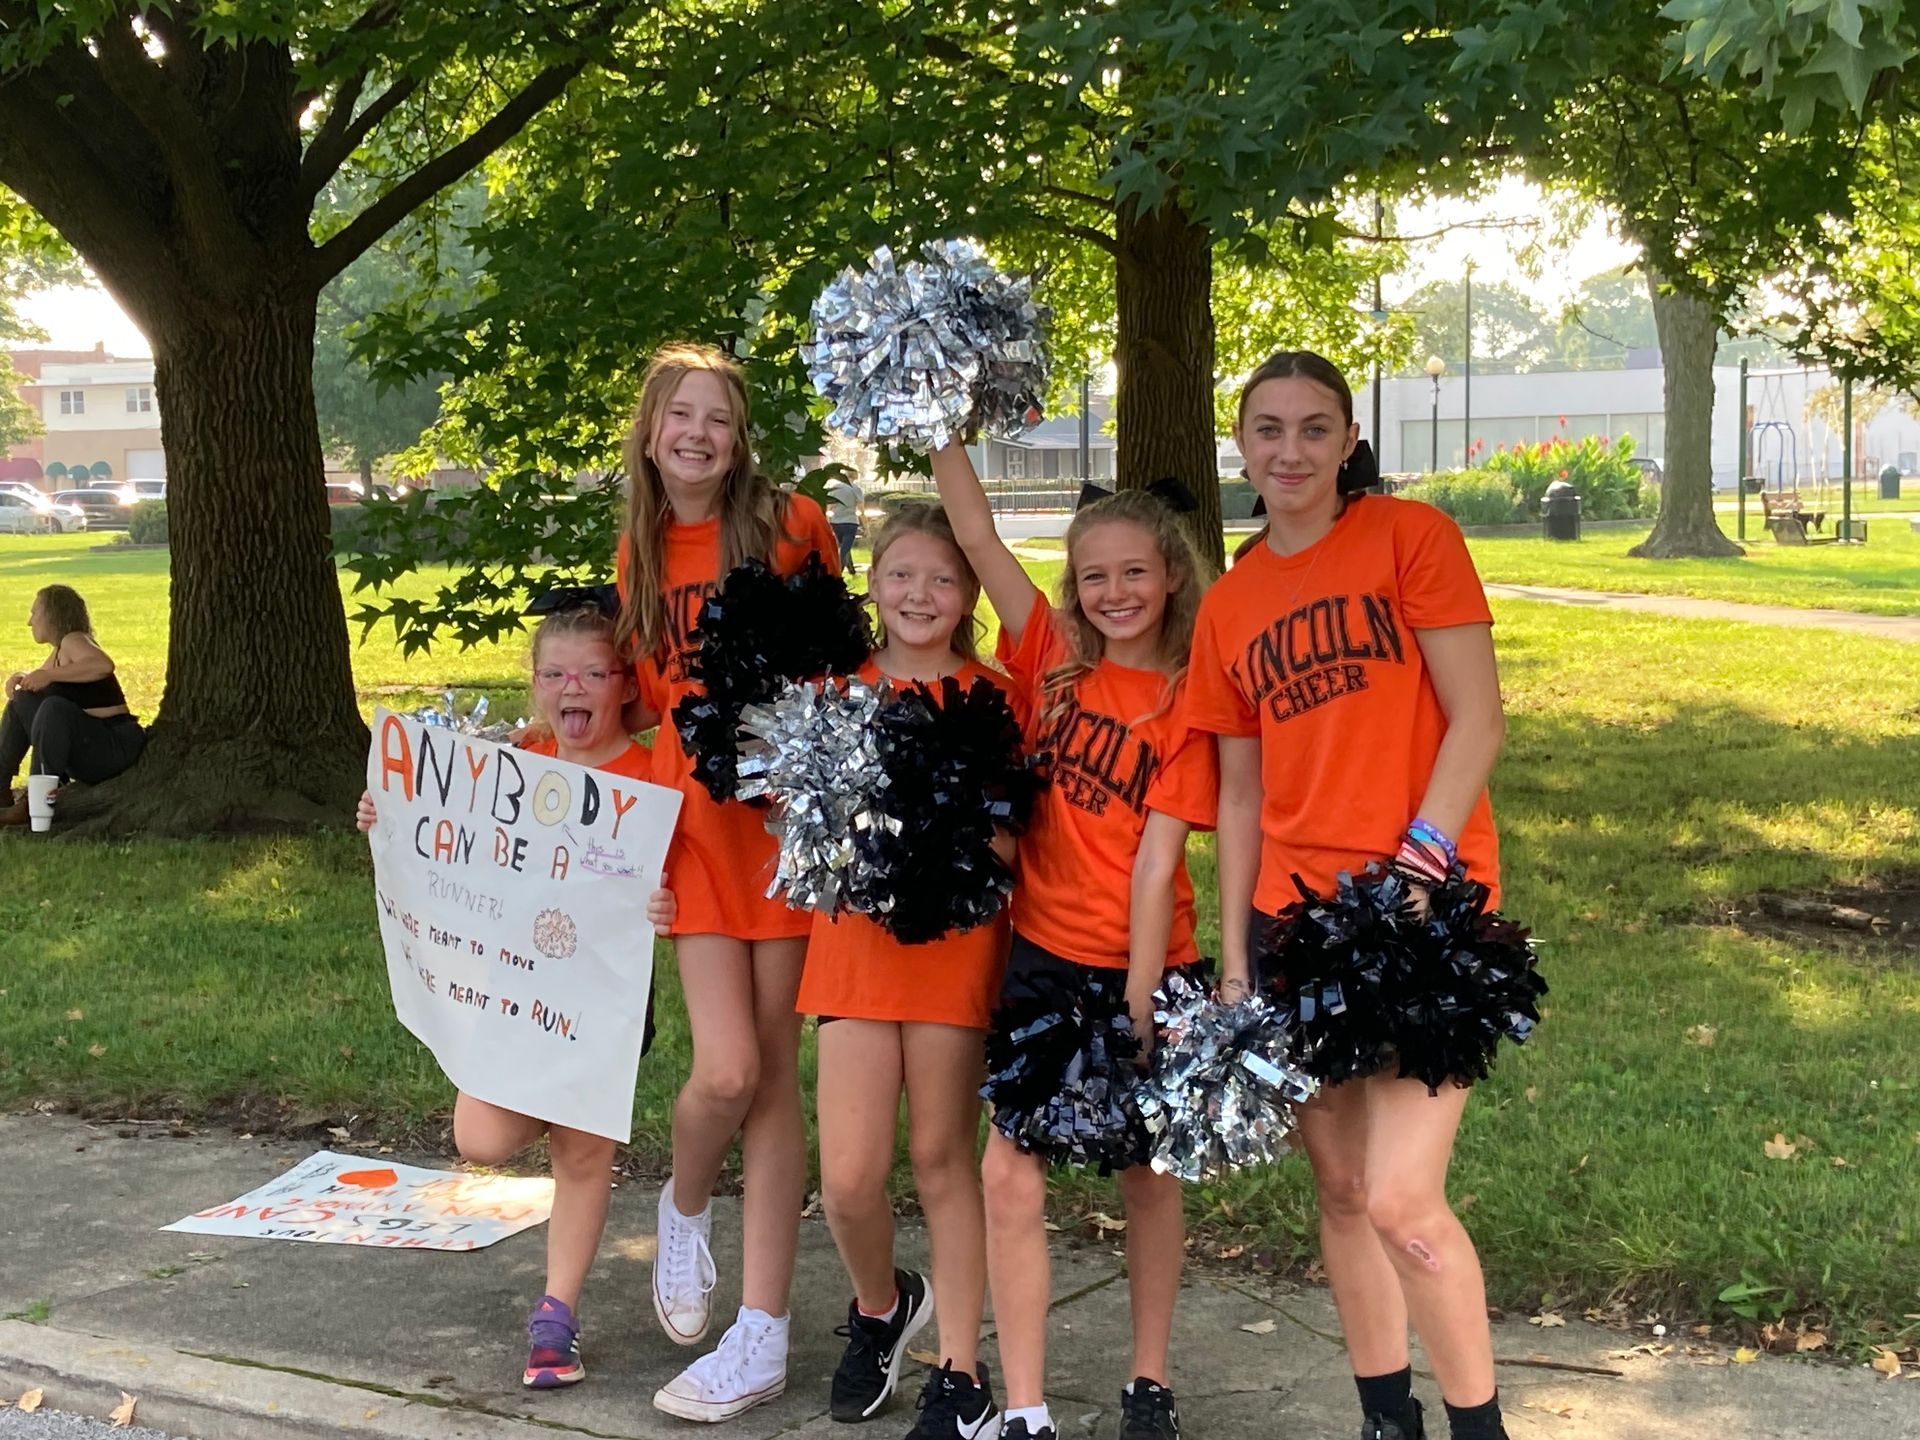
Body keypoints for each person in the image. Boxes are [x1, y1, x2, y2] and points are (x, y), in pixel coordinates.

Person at [1185, 351, 1509, 1440]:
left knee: (1402, 1201)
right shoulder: (1229, 604)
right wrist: (1234, 953)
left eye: (1314, 429)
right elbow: (1237, 794)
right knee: (1338, 1191)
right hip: (1296, 919)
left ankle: (1479, 1427)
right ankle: (1387, 1417)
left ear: (1348, 439)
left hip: (1428, 908)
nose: (1290, 451)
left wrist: (1419, 867)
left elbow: (1478, 719)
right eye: (1268, 429)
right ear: (1241, 442)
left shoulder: (1411, 540)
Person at [929, 442, 1216, 1440]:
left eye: (1135, 571)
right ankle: (1024, 1409)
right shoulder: (1051, 656)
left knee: (1149, 1173)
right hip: (1044, 958)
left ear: (1172, 574)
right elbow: (974, 533)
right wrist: (938, 419)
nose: (1115, 591)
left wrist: (1138, 1001)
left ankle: (1149, 1382)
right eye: (1095, 575)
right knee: (1009, 1170)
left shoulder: (1192, 694)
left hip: (1151, 966)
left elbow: (1154, 863)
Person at [355, 598, 676, 1391]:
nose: (574, 688)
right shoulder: (513, 765)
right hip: (513, 998)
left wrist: (670, 910)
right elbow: (445, 845)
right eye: (556, 673)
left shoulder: (652, 775)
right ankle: (567, 1146)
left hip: (604, 1003)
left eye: (594, 673)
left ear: (623, 684)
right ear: (534, 684)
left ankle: (555, 1318)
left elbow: (677, 886)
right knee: (482, 1138)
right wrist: (387, 815)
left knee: (582, 1148)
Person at [613, 342, 840, 1423]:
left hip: (785, 828)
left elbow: (841, 664)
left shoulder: (792, 524)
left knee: (775, 1083)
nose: (698, 434)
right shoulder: (641, 553)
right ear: (651, 434)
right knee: (725, 1072)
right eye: (679, 417)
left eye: (718, 418)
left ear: (739, 435)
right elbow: (640, 711)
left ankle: (762, 1336)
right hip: (697, 833)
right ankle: (684, 1204)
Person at [798, 503, 1014, 1440]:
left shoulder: (995, 693)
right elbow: (792, 830)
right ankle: (883, 1308)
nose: (919, 594)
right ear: (873, 584)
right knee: (846, 1179)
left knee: (939, 1157)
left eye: (941, 578)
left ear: (967, 593)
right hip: (853, 951)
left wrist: (941, 846)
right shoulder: (833, 693)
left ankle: (962, 1371)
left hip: (953, 950)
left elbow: (1012, 838)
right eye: (900, 576)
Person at [2, 585, 145, 826]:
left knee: (54, 708)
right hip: (89, 746)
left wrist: (48, 676)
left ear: (52, 614)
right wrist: (23, 677)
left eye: (34, 613)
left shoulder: (74, 640)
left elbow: (102, 665)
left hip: (113, 747)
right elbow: (49, 677)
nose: (30, 622)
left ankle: (35, 810)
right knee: (22, 701)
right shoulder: (60, 650)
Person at [826, 475, 866, 574]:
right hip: (850, 522)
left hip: (835, 522)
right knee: (844, 549)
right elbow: (861, 509)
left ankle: (851, 570)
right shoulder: (855, 488)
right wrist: (866, 525)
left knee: (842, 547)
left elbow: (828, 507)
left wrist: (827, 521)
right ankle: (837, 572)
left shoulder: (835, 488)